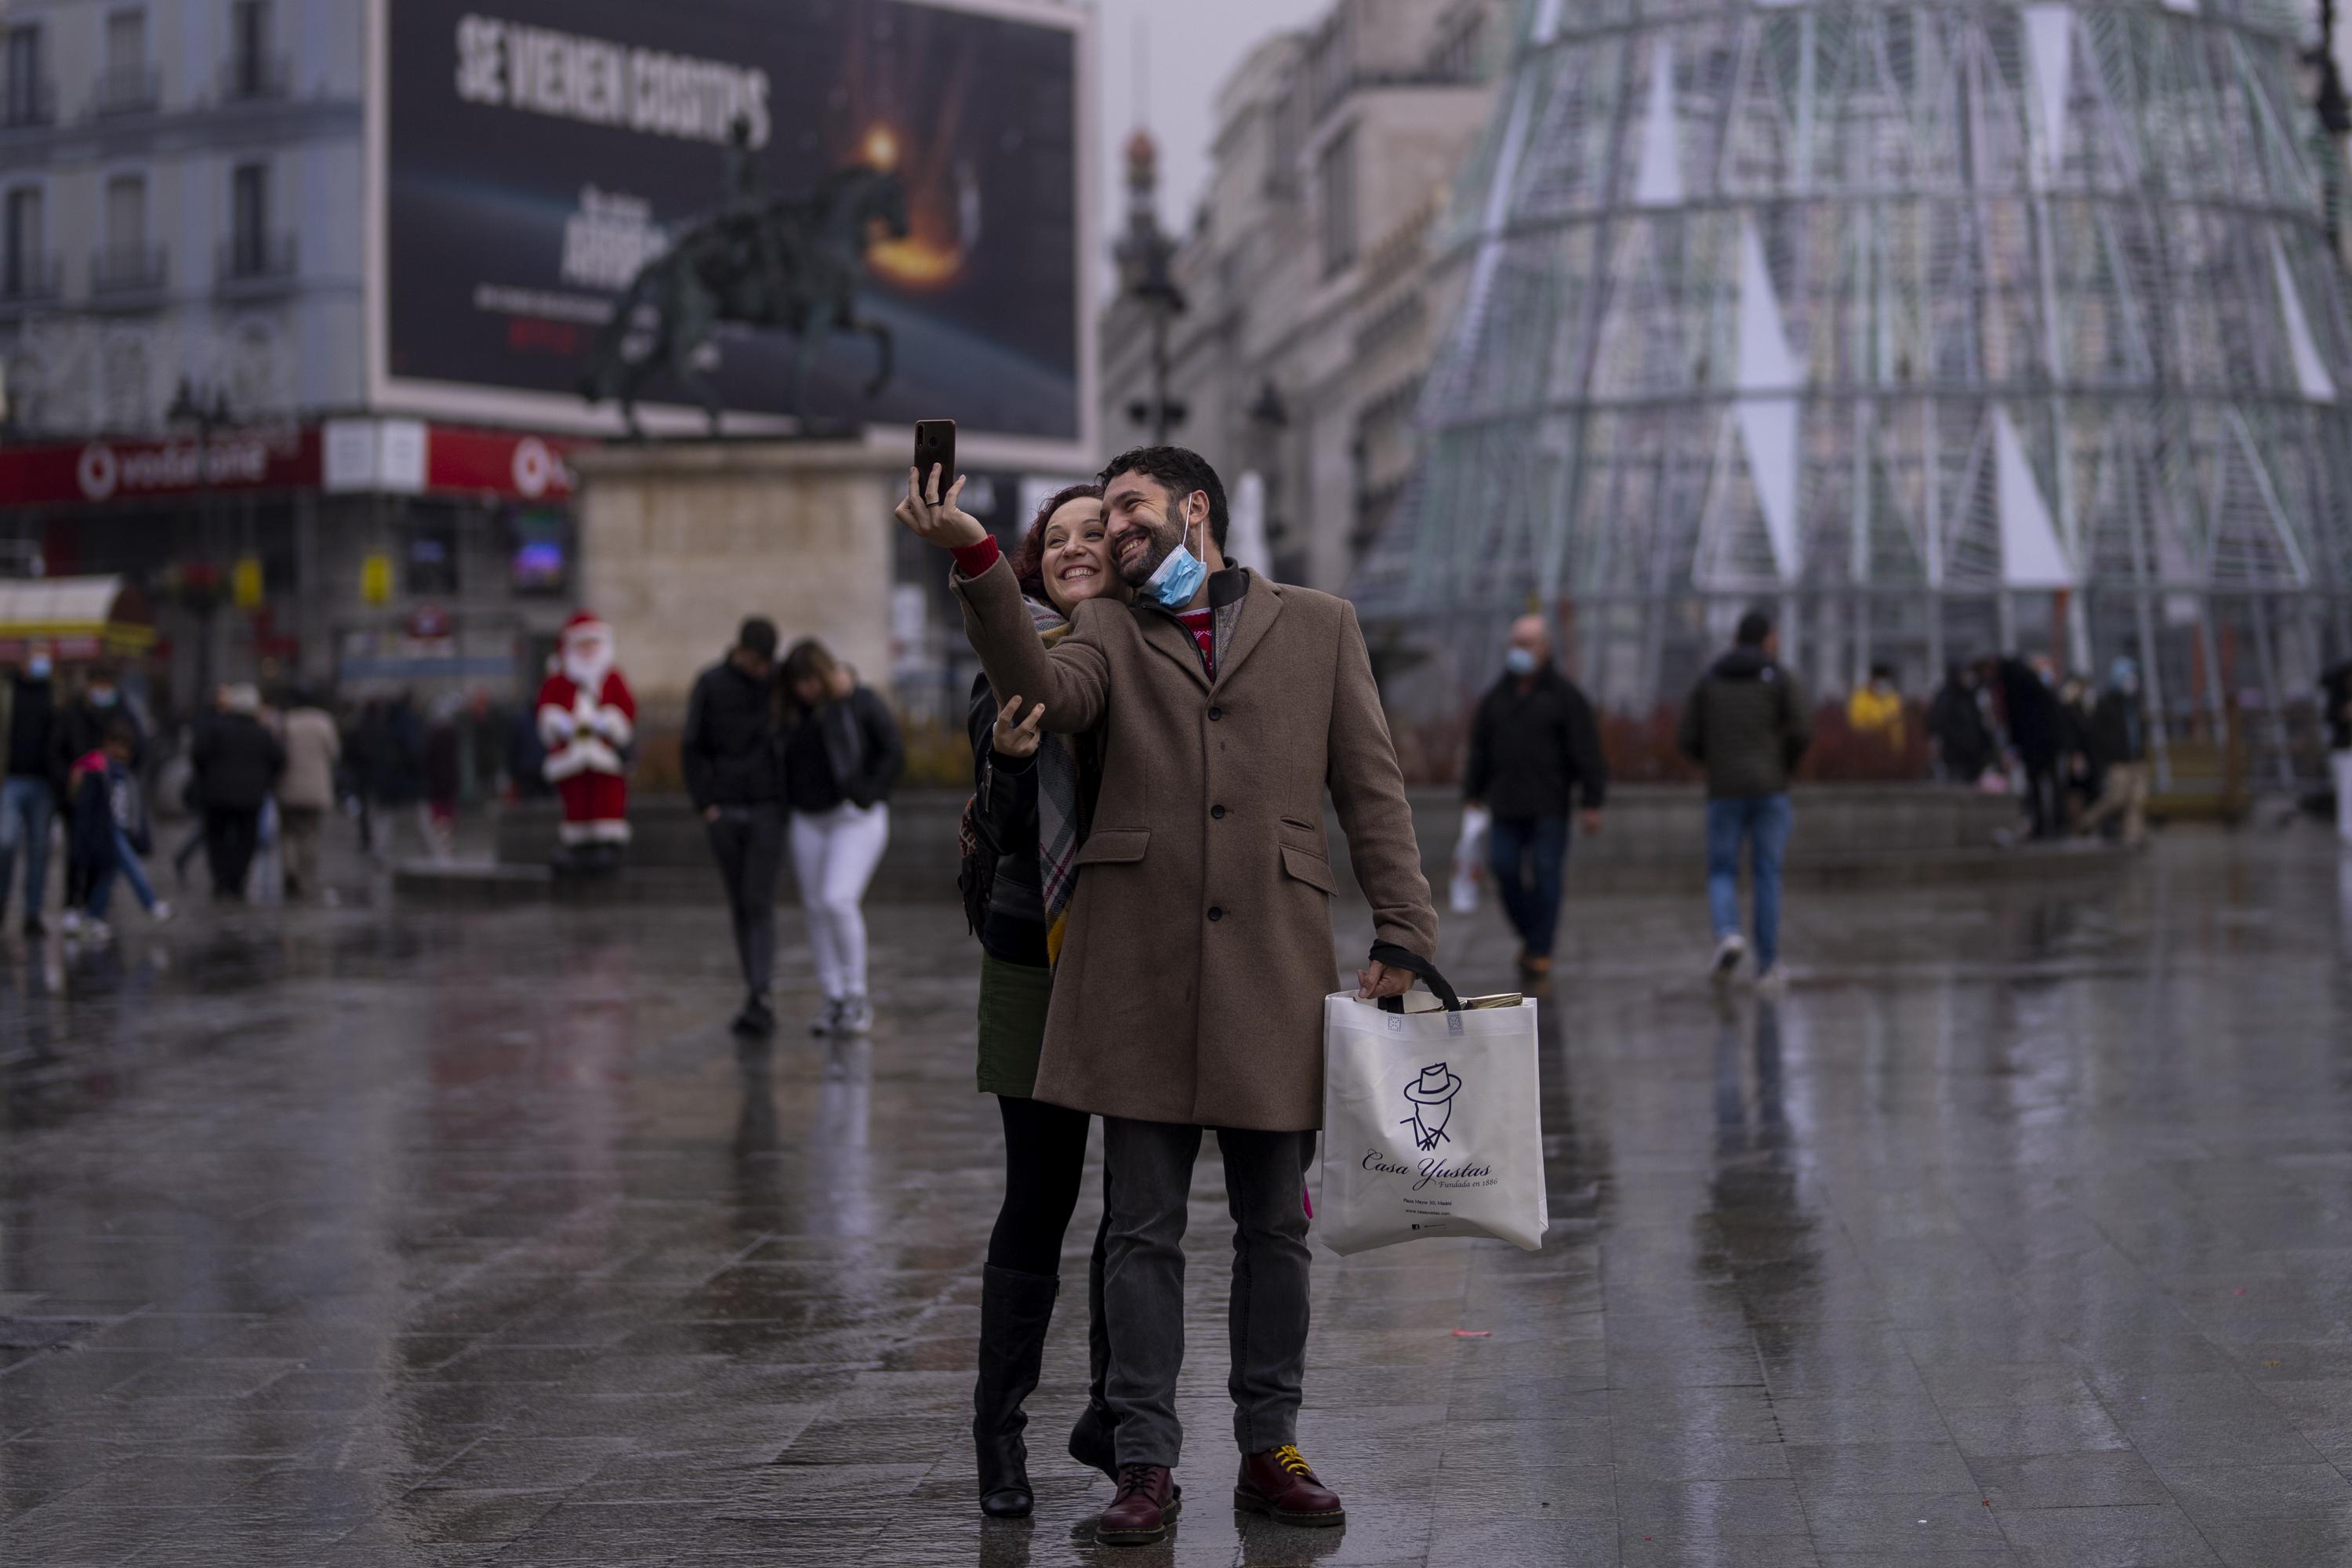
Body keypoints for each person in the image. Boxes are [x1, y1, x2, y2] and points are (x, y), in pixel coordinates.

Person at [897, 445, 1439, 1547]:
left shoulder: (1320, 624)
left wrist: (1406, 930)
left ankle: (1269, 1444)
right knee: (1139, 1229)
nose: (1116, 532)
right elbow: (1039, 688)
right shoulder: (1107, 629)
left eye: (1131, 510)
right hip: (1134, 965)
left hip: (1275, 968)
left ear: (1195, 508)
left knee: (1274, 1228)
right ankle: (1143, 1462)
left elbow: (1371, 788)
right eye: (1104, 518)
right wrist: (980, 562)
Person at [960, 483, 1124, 1519]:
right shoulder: (1014, 661)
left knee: (1139, 1206)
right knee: (1041, 1197)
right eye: (1054, 537)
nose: (1071, 548)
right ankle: (1000, 1433)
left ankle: (1115, 1411)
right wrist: (1015, 764)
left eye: (1091, 534)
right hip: (1037, 954)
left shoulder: (1155, 654)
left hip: (1139, 963)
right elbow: (1009, 829)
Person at [1461, 613, 1606, 978]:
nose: (1519, 652)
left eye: (1526, 644)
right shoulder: (1497, 696)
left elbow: (1586, 751)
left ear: (1545, 648)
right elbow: (1480, 747)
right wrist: (1472, 792)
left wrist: (1592, 801)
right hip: (1506, 804)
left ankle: (1540, 950)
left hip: (1549, 806)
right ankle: (1531, 935)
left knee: (1546, 874)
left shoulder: (1565, 696)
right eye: (1515, 643)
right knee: (1504, 869)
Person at [1678, 609, 1812, 991]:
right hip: (1770, 790)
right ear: (1768, 639)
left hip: (1724, 791)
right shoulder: (1777, 678)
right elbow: (1803, 729)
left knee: (1722, 869)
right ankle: (1767, 965)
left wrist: (1714, 762)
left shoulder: (1710, 679)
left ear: (1736, 638)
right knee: (1767, 873)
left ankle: (1728, 933)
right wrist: (1783, 763)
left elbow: (1686, 736)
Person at [779, 638, 901, 1037]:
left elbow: (892, 751)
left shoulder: (858, 700)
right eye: (798, 682)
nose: (806, 689)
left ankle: (855, 996)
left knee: (838, 899)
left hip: (854, 817)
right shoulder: (789, 712)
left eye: (812, 680)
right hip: (808, 818)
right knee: (815, 907)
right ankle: (832, 997)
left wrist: (869, 791)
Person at [682, 617, 786, 1037]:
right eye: (757, 662)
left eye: (767, 664)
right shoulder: (711, 683)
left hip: (766, 809)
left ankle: (760, 993)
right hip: (724, 810)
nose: (762, 670)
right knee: (742, 904)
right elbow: (692, 746)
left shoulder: (777, 682)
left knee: (757, 902)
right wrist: (706, 804)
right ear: (741, 651)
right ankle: (755, 990)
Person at [53, 667, 143, 924]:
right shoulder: (72, 713)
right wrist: (69, 781)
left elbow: (137, 749)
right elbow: (56, 751)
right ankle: (73, 905)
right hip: (77, 798)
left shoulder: (121, 713)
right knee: (77, 852)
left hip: (108, 800)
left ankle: (94, 910)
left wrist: (121, 773)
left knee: (104, 857)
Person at [69, 719, 168, 938]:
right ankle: (150, 903)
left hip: (118, 829)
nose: (122, 752)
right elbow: (86, 804)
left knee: (108, 875)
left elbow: (132, 806)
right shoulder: (98, 769)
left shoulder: (123, 772)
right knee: (129, 867)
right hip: (106, 831)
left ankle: (92, 916)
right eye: (119, 746)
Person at [191, 684, 285, 900]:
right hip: (250, 797)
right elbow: (278, 759)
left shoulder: (215, 729)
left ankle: (221, 879)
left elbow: (198, 755)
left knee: (217, 839)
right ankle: (237, 879)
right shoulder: (262, 733)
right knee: (246, 839)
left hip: (217, 795)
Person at [0, 648, 61, 933]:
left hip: (43, 783)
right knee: (6, 842)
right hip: (11, 779)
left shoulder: (55, 692)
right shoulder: (8, 689)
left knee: (39, 849)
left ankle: (33, 912)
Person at [2080, 657, 2152, 847]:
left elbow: (2141, 729)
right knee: (2117, 798)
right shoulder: (2106, 704)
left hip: (2136, 760)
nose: (2132, 681)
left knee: (2136, 802)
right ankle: (2089, 819)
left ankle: (2132, 839)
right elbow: (2096, 735)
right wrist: (2104, 758)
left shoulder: (2135, 703)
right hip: (2117, 761)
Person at [278, 690, 341, 898]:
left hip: (288, 787)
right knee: (310, 834)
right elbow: (334, 753)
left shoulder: (287, 722)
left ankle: (291, 869)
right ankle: (306, 878)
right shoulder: (323, 722)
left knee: (288, 833)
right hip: (316, 788)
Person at [1998, 655, 2067, 839]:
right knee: (2052, 784)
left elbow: (2015, 723)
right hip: (2047, 746)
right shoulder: (2040, 689)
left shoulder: (2015, 692)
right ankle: (2056, 825)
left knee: (2036, 786)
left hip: (2032, 747)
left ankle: (2042, 825)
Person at [1927, 663, 1996, 784]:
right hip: (1955, 754)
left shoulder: (1971, 695)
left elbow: (1979, 722)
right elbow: (1940, 723)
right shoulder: (1947, 697)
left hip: (1974, 755)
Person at [1846, 663, 1904, 751]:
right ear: (1872, 680)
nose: (1882, 684)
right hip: (1866, 746)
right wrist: (1881, 721)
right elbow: (1856, 722)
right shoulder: (1861, 697)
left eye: (1885, 680)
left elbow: (1897, 719)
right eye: (1879, 680)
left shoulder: (1893, 697)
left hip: (1890, 747)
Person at [2326, 659, 2352, 848]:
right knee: (2346, 789)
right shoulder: (2338, 699)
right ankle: (2346, 831)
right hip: (2344, 750)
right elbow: (2331, 718)